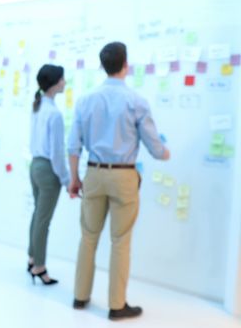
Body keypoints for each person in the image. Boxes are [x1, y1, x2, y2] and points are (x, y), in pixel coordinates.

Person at [67, 41, 170, 320]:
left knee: (88, 237)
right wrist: (164, 152)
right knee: (120, 241)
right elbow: (155, 147)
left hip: (94, 173)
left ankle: (80, 297)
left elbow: (73, 145)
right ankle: (116, 305)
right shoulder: (136, 101)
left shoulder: (86, 100)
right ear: (126, 65)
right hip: (124, 175)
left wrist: (74, 178)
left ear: (102, 65)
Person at [27, 64, 68, 286]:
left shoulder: (38, 106)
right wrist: (67, 179)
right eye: (62, 79)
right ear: (55, 83)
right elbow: (57, 153)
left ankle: (32, 257)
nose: (65, 82)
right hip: (48, 170)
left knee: (37, 215)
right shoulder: (54, 113)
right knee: (43, 220)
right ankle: (39, 266)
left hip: (35, 166)